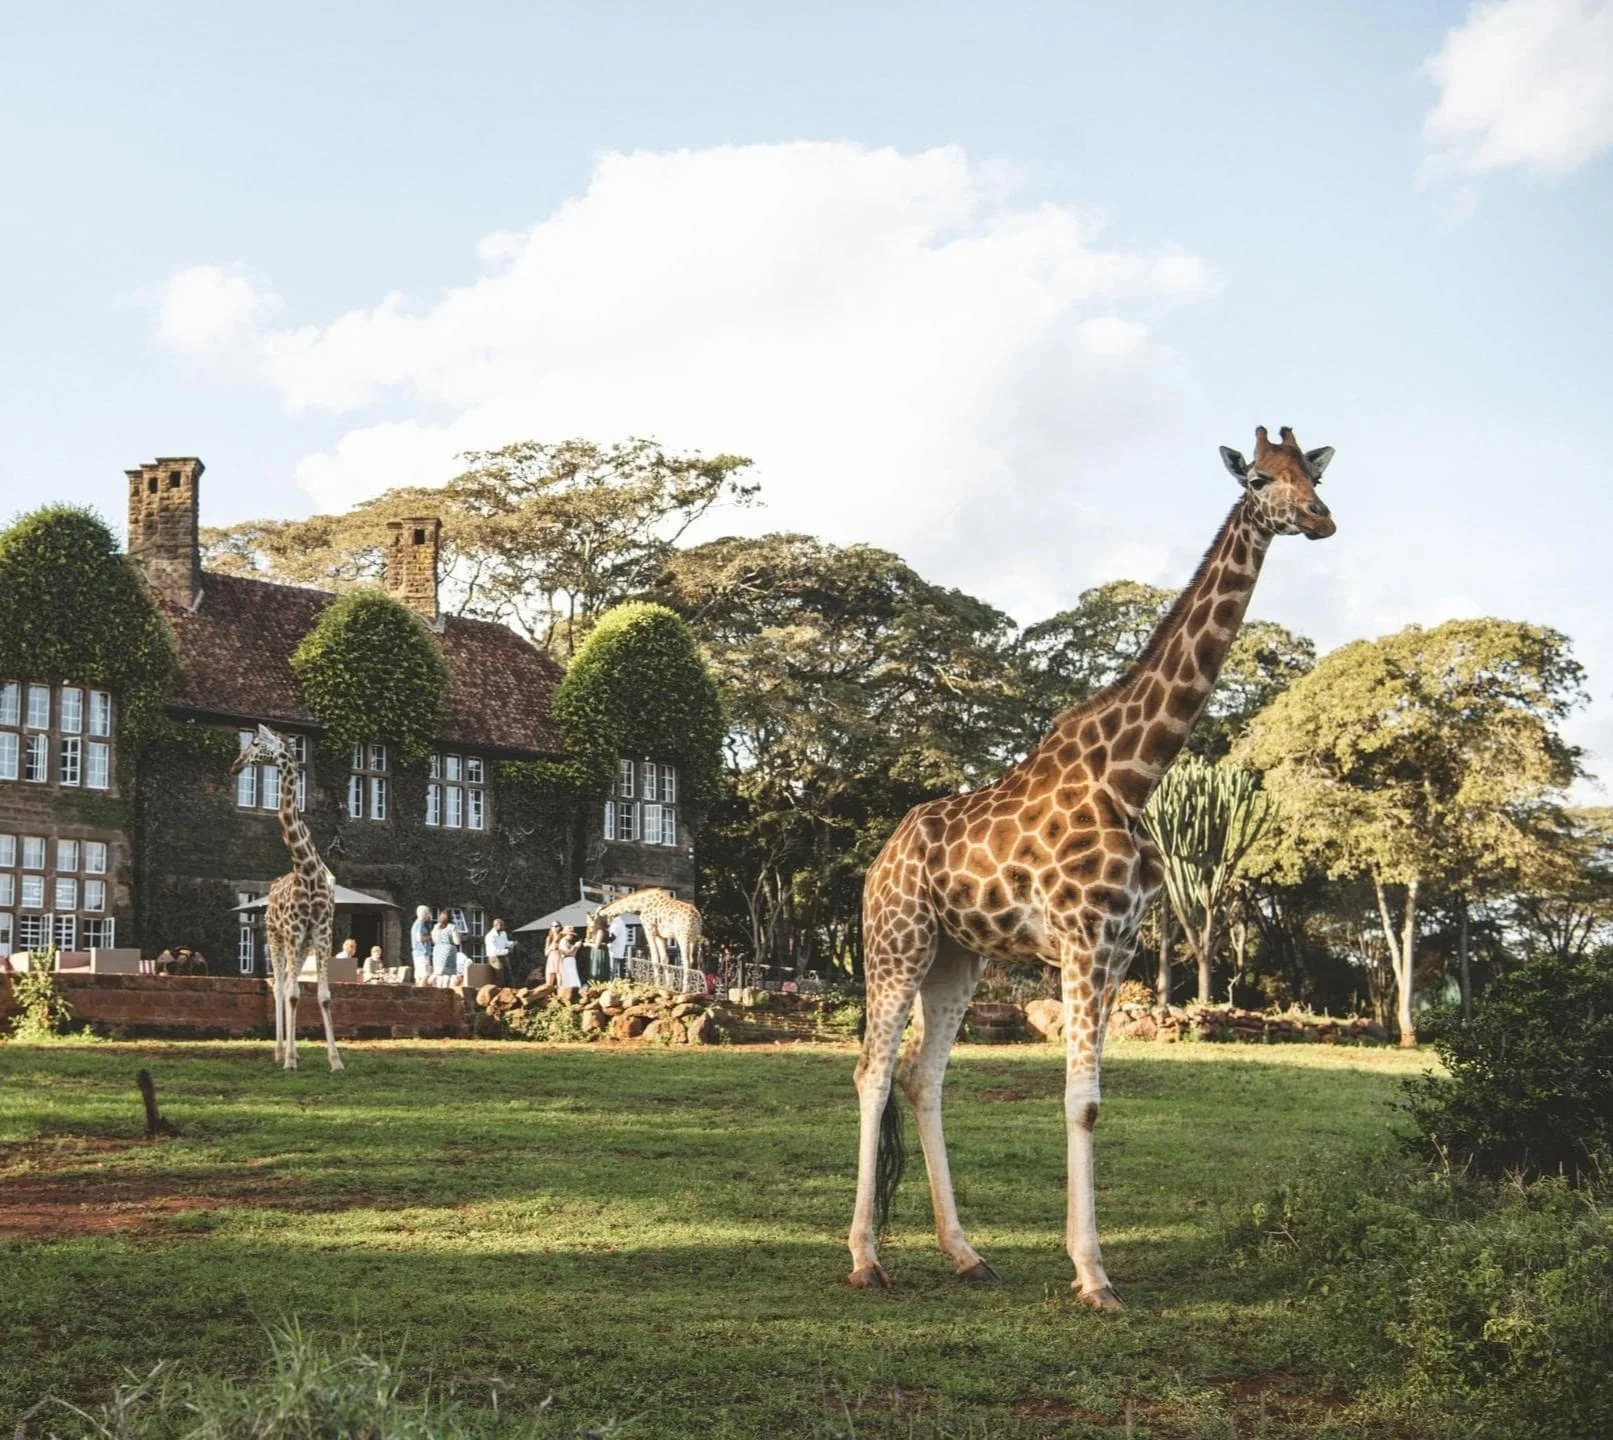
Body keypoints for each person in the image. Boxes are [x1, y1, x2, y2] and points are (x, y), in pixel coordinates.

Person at [430, 910, 460, 986]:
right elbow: (457, 941)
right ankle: (445, 991)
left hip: (437, 951)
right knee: (447, 975)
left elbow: (433, 940)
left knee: (438, 974)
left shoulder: (435, 927)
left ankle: (438, 990)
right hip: (448, 951)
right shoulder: (452, 927)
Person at [410, 906, 433, 985]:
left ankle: (416, 995)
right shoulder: (419, 924)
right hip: (422, 953)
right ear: (424, 914)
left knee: (419, 976)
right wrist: (430, 937)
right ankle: (420, 995)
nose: (429, 916)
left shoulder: (417, 924)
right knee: (425, 975)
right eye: (428, 914)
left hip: (418, 953)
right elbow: (419, 938)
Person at [585, 917, 610, 987]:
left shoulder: (600, 931)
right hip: (598, 951)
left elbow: (596, 945)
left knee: (598, 969)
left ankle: (597, 986)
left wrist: (587, 944)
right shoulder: (599, 931)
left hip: (599, 952)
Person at [557, 926, 583, 990]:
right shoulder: (563, 941)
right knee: (568, 977)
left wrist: (577, 947)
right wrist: (575, 946)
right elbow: (567, 952)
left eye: (572, 934)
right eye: (570, 934)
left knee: (572, 977)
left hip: (571, 960)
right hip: (567, 961)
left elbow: (573, 953)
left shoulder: (568, 942)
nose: (571, 936)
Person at [608, 914, 630, 981]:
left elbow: (612, 937)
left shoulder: (616, 923)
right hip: (616, 950)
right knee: (614, 970)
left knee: (612, 971)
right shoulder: (618, 921)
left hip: (614, 950)